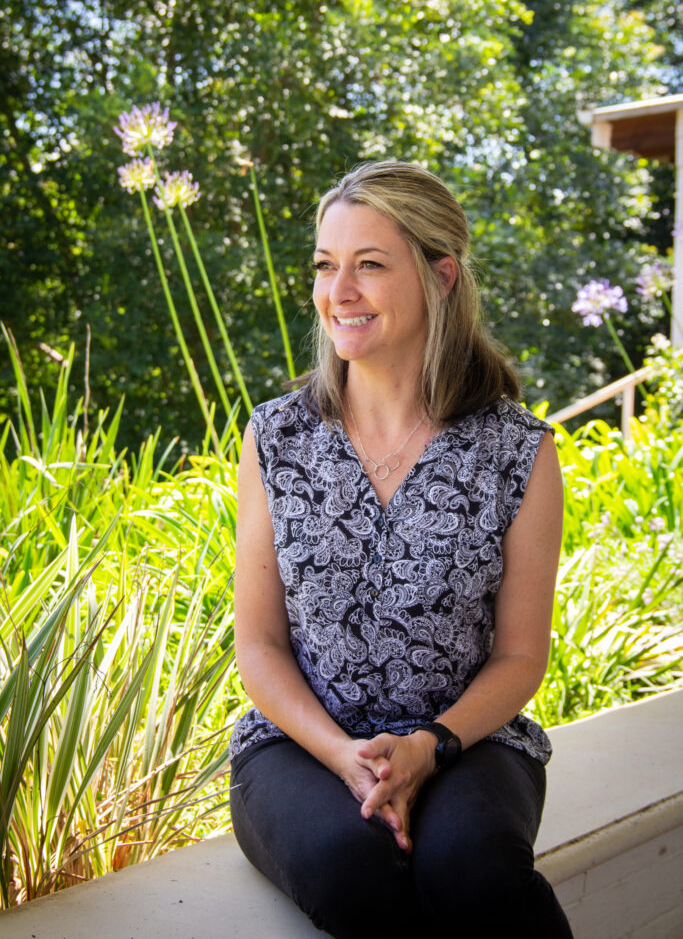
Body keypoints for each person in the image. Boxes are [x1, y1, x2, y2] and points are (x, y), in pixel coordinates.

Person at [228, 160, 574, 938]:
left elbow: (520, 656)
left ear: (440, 275)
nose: (337, 292)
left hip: (466, 740)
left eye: (370, 265)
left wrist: (429, 744)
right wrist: (345, 755)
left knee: (475, 865)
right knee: (348, 869)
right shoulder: (275, 438)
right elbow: (257, 643)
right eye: (325, 266)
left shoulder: (517, 451)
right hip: (299, 745)